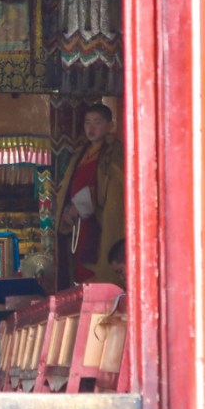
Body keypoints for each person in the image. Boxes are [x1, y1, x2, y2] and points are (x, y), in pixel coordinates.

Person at [55, 103, 125, 289]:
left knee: (97, 269)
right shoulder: (81, 153)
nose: (91, 128)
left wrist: (85, 202)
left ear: (110, 125)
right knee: (77, 269)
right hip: (79, 224)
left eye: (97, 122)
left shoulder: (115, 153)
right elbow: (68, 187)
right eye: (87, 123)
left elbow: (115, 190)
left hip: (100, 223)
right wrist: (67, 211)